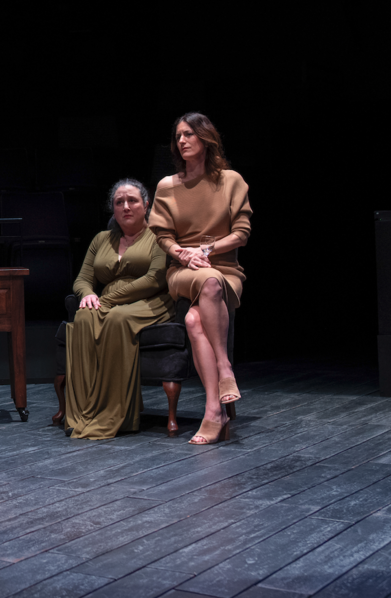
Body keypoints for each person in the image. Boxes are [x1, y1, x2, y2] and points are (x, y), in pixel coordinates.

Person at [149, 112, 252, 445]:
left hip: (225, 269)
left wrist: (206, 250)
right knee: (206, 282)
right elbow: (162, 235)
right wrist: (183, 253)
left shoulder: (231, 180)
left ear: (206, 139)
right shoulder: (168, 185)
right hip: (183, 270)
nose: (181, 141)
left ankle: (214, 411)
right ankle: (225, 370)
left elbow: (241, 233)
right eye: (178, 135)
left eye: (189, 134)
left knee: (195, 321)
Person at [61, 179, 175, 439]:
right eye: (119, 202)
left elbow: (156, 278)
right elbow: (82, 278)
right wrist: (89, 294)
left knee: (116, 318)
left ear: (146, 205)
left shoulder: (159, 236)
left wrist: (109, 299)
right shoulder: (102, 239)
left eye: (132, 201)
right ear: (112, 209)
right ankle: (81, 412)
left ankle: (116, 413)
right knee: (83, 316)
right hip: (108, 303)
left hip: (149, 301)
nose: (126, 206)